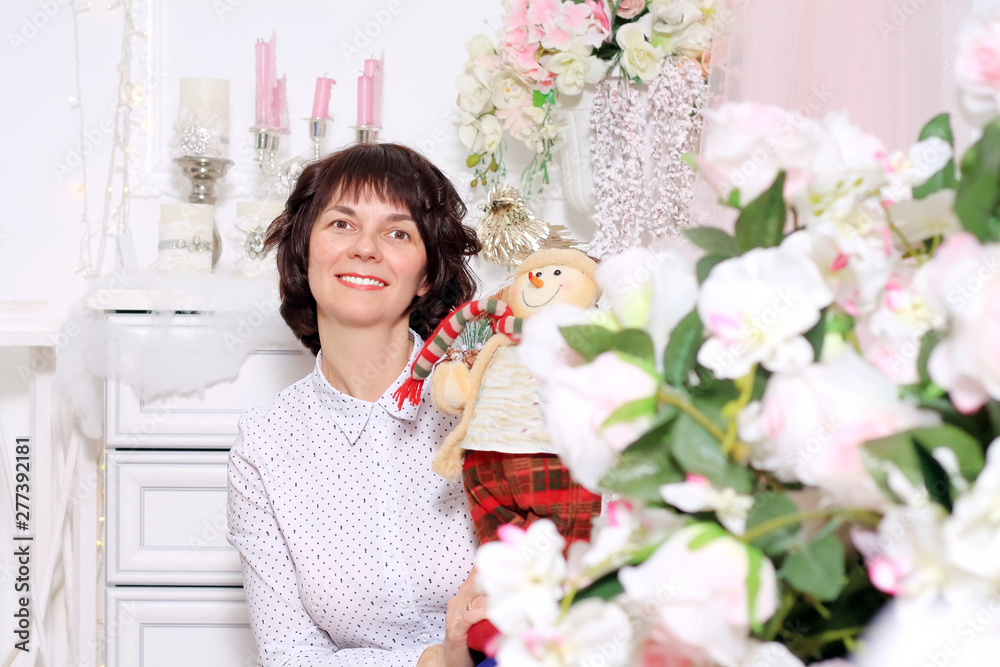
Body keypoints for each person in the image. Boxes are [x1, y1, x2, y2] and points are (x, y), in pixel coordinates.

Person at [225, 142, 487, 667]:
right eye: (342, 224)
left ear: (427, 275)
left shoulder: (485, 396)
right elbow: (289, 656)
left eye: (398, 233)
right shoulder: (263, 447)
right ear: (305, 250)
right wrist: (436, 660)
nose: (365, 248)